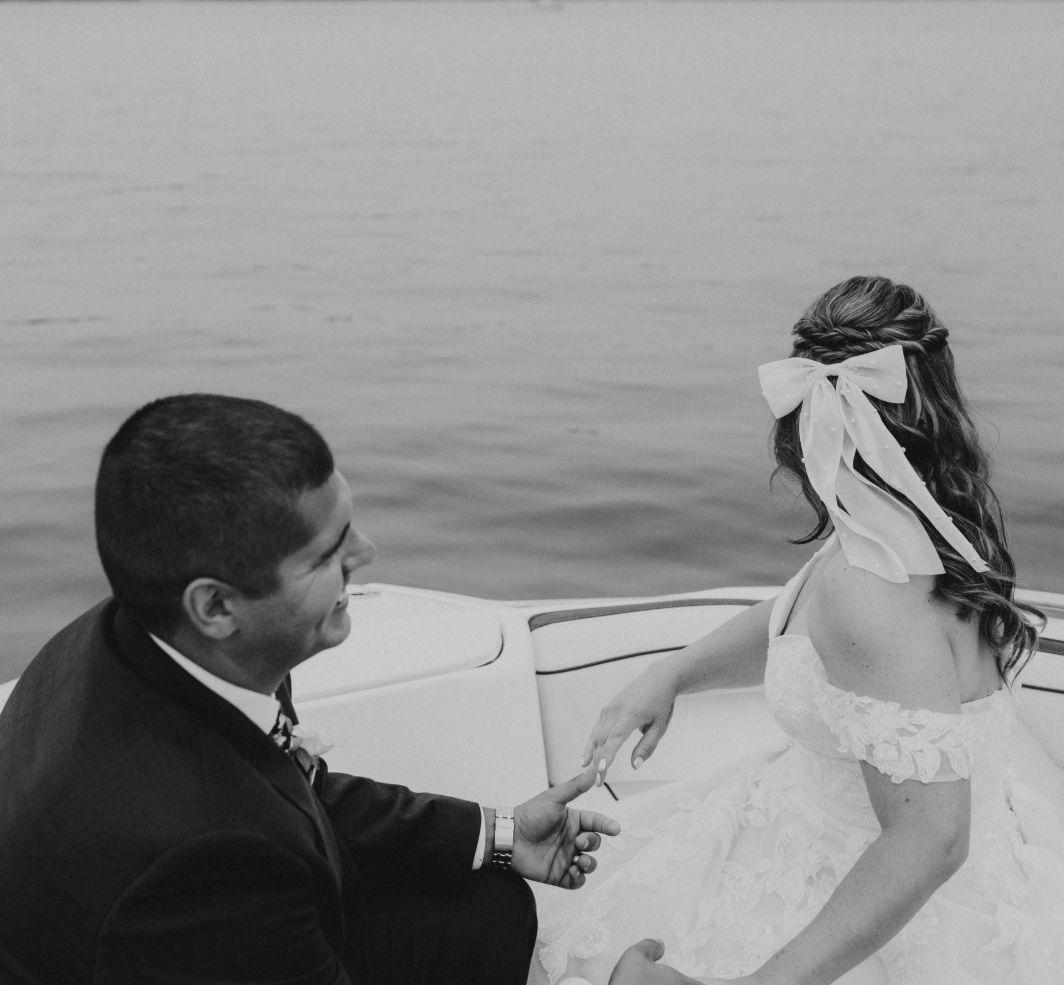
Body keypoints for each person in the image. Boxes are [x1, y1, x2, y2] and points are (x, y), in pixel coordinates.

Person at [0, 393, 637, 985]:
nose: (366, 552)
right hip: (202, 938)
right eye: (326, 553)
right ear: (216, 606)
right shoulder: (200, 857)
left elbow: (292, 785)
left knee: (491, 908)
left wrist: (499, 835)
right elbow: (237, 826)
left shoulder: (142, 636)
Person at [533, 276, 1064, 984]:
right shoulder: (923, 522)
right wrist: (673, 673)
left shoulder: (870, 592)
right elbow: (797, 620)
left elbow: (932, 840)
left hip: (880, 904)